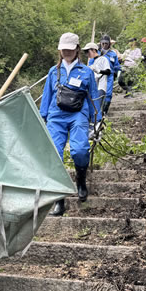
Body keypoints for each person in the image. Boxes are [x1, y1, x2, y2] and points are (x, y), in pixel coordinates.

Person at [40, 33, 102, 215]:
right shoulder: (53, 71)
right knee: (54, 156)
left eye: (70, 48)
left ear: (77, 48)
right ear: (60, 50)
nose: (66, 52)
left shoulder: (87, 72)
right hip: (56, 116)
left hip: (78, 115)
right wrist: (42, 117)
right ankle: (59, 200)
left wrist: (96, 122)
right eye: (63, 49)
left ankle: (81, 180)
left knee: (80, 149)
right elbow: (47, 97)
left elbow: (93, 96)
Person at [82, 42, 111, 112]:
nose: (87, 54)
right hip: (93, 87)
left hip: (101, 86)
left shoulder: (103, 59)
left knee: (97, 107)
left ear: (94, 50)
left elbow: (108, 71)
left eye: (87, 51)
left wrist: (98, 70)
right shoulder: (93, 62)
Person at [98, 35, 121, 114]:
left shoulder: (113, 54)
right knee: (97, 94)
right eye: (103, 43)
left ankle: (104, 112)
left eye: (106, 43)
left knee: (108, 94)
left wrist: (120, 71)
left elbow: (117, 65)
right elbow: (90, 64)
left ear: (109, 44)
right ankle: (96, 112)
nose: (104, 45)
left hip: (109, 76)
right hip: (98, 76)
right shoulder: (96, 53)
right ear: (100, 43)